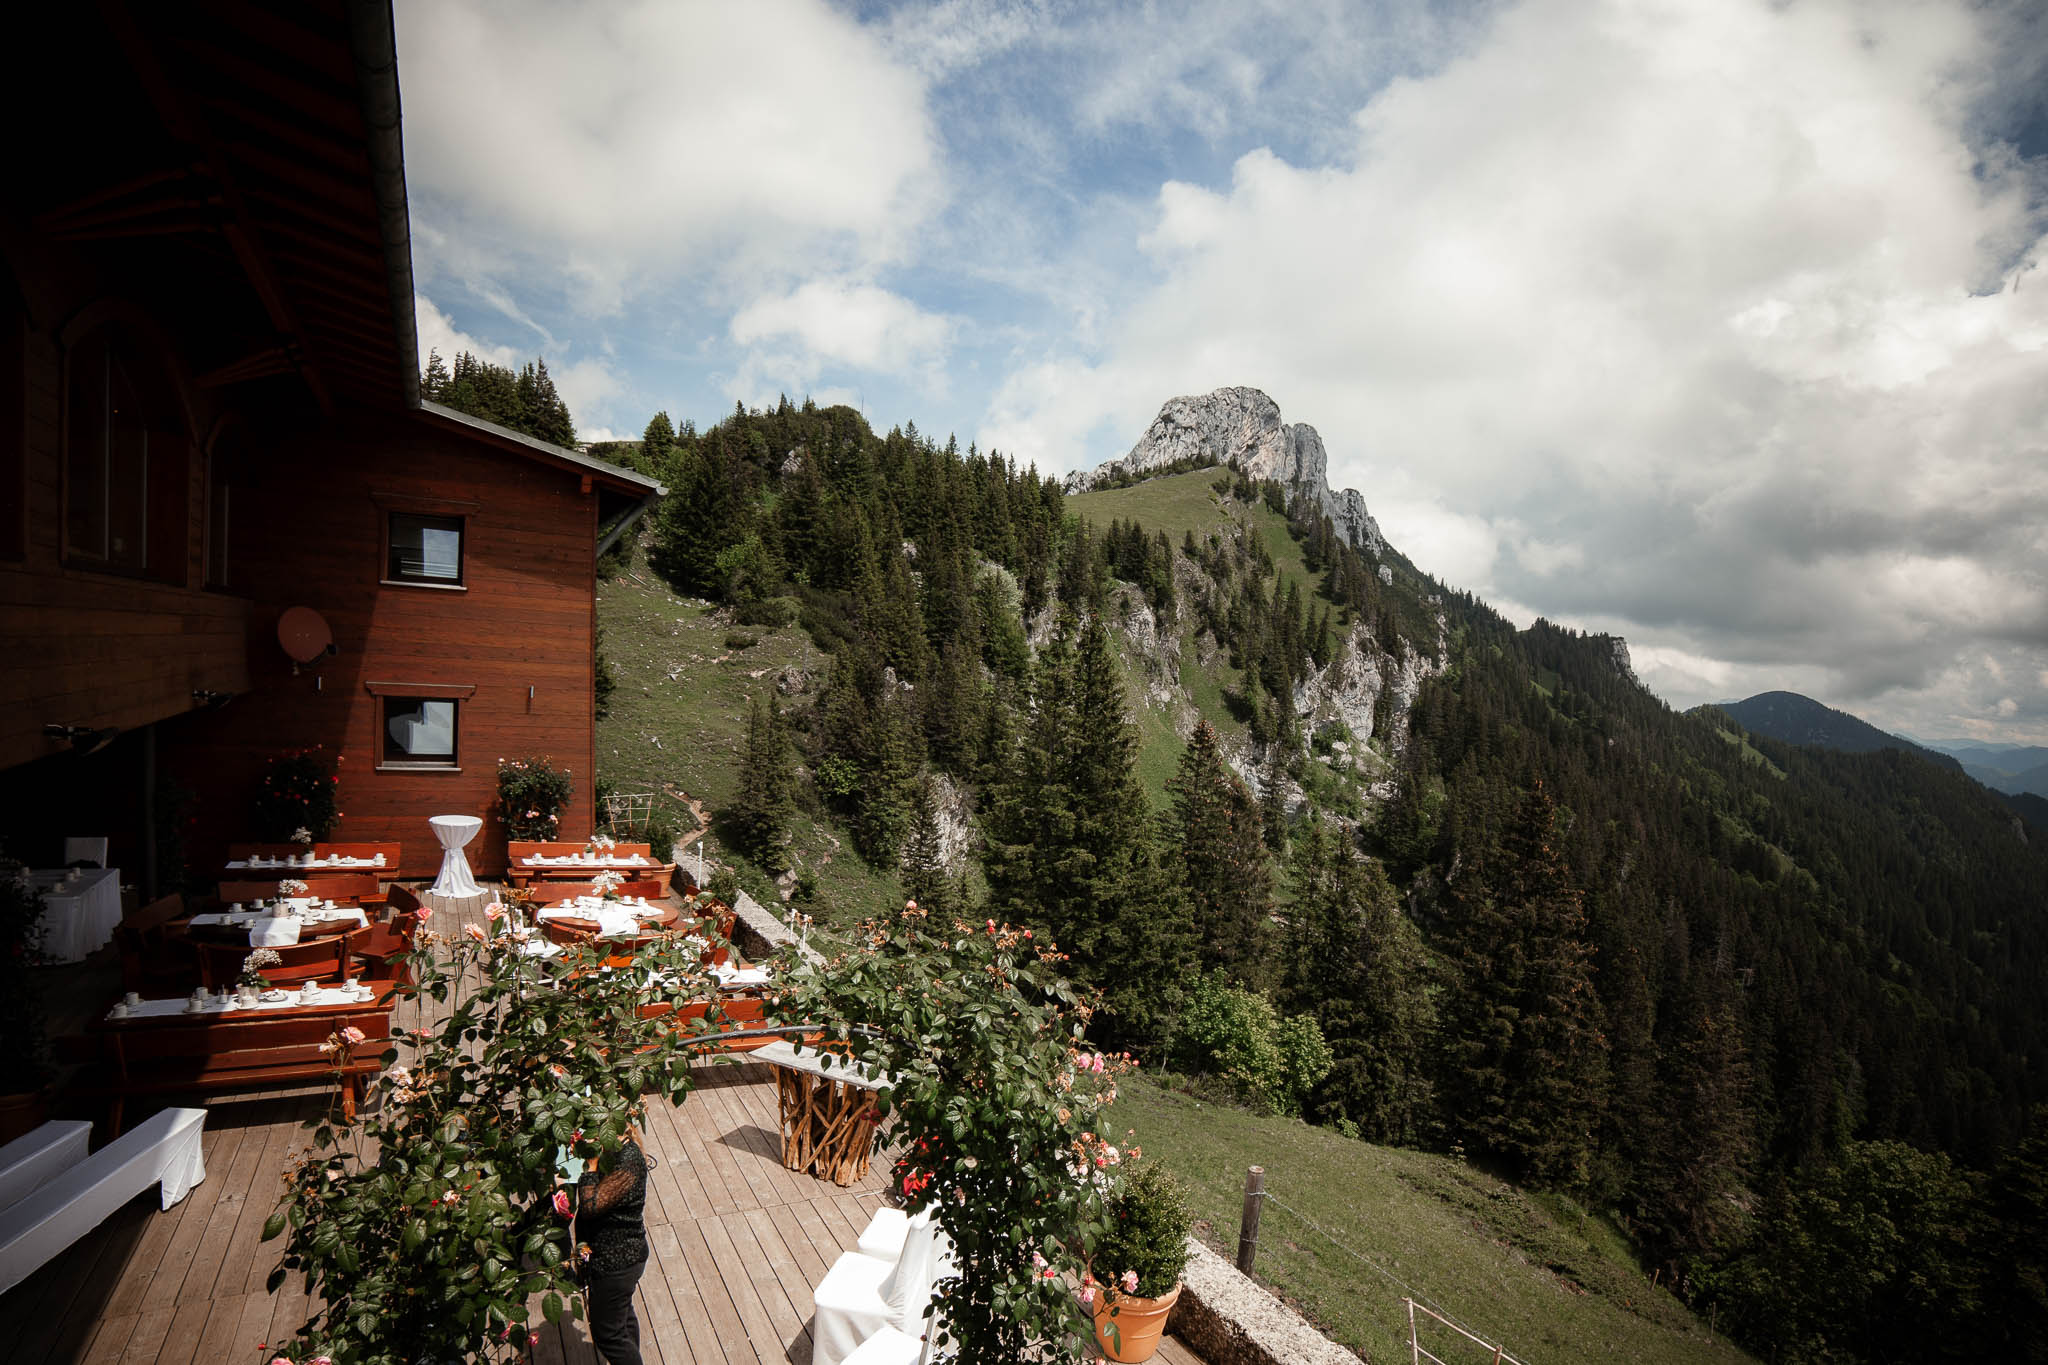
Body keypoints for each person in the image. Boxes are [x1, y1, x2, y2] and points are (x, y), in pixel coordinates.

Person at [576, 1125, 650, 1365]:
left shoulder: (627, 1161)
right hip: (622, 1256)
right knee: (622, 1317)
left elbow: (591, 1206)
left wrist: (590, 1168)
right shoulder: (616, 1152)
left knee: (608, 1334)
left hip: (619, 1260)